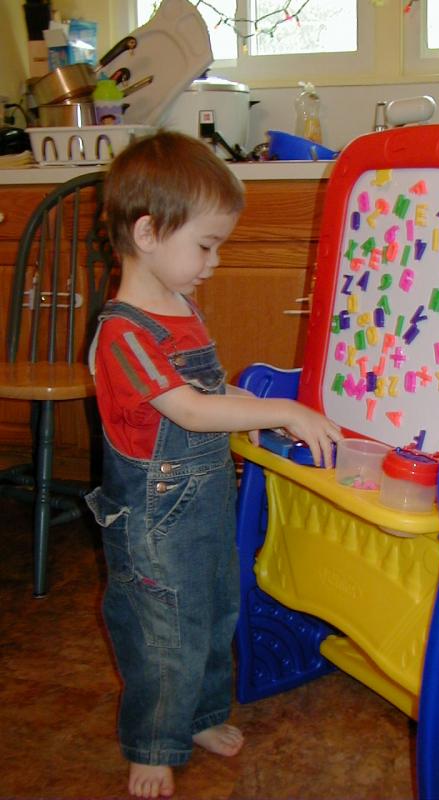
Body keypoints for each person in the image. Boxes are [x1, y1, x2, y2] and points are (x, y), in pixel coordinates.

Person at [85, 130, 341, 799]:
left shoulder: (182, 309)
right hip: (152, 520)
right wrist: (281, 411)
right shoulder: (123, 333)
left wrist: (250, 404)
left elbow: (206, 392)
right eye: (205, 245)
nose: (215, 261)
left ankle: (197, 718)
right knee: (163, 634)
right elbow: (190, 412)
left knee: (214, 610)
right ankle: (152, 742)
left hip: (201, 503)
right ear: (147, 233)